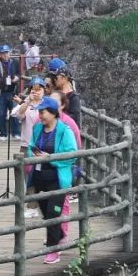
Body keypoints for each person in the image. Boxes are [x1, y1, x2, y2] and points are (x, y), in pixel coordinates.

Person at [28, 97, 78, 264]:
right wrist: (33, 155)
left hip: (57, 179)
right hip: (40, 178)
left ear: (53, 113)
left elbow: (71, 154)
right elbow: (30, 146)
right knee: (46, 212)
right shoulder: (37, 129)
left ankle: (52, 250)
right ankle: (60, 235)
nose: (40, 115)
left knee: (53, 213)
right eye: (39, 112)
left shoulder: (65, 131)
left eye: (43, 112)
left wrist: (50, 158)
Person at [46, 59, 82, 129]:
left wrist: (55, 116)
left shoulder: (73, 97)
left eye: (56, 77)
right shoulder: (56, 92)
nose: (55, 79)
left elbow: (75, 118)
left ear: (64, 78)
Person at [0, 46, 20, 139]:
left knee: (14, 112)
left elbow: (19, 73)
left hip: (13, 91)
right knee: (1, 114)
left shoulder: (15, 62)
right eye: (3, 53)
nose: (5, 55)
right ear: (0, 54)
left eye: (6, 52)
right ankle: (3, 134)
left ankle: (16, 133)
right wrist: (0, 80)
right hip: (1, 91)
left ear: (9, 53)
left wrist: (17, 77)